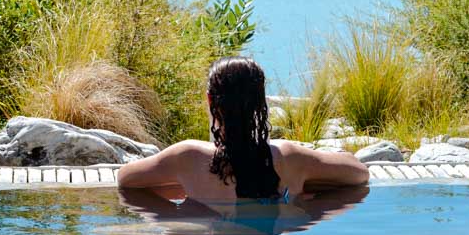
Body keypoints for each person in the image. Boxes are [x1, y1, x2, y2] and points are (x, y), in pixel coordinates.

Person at [117, 56, 369, 202]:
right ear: (261, 102)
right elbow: (360, 174)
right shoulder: (289, 158)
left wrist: (183, 191)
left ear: (210, 100)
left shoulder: (187, 158)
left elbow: (125, 180)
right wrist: (307, 197)